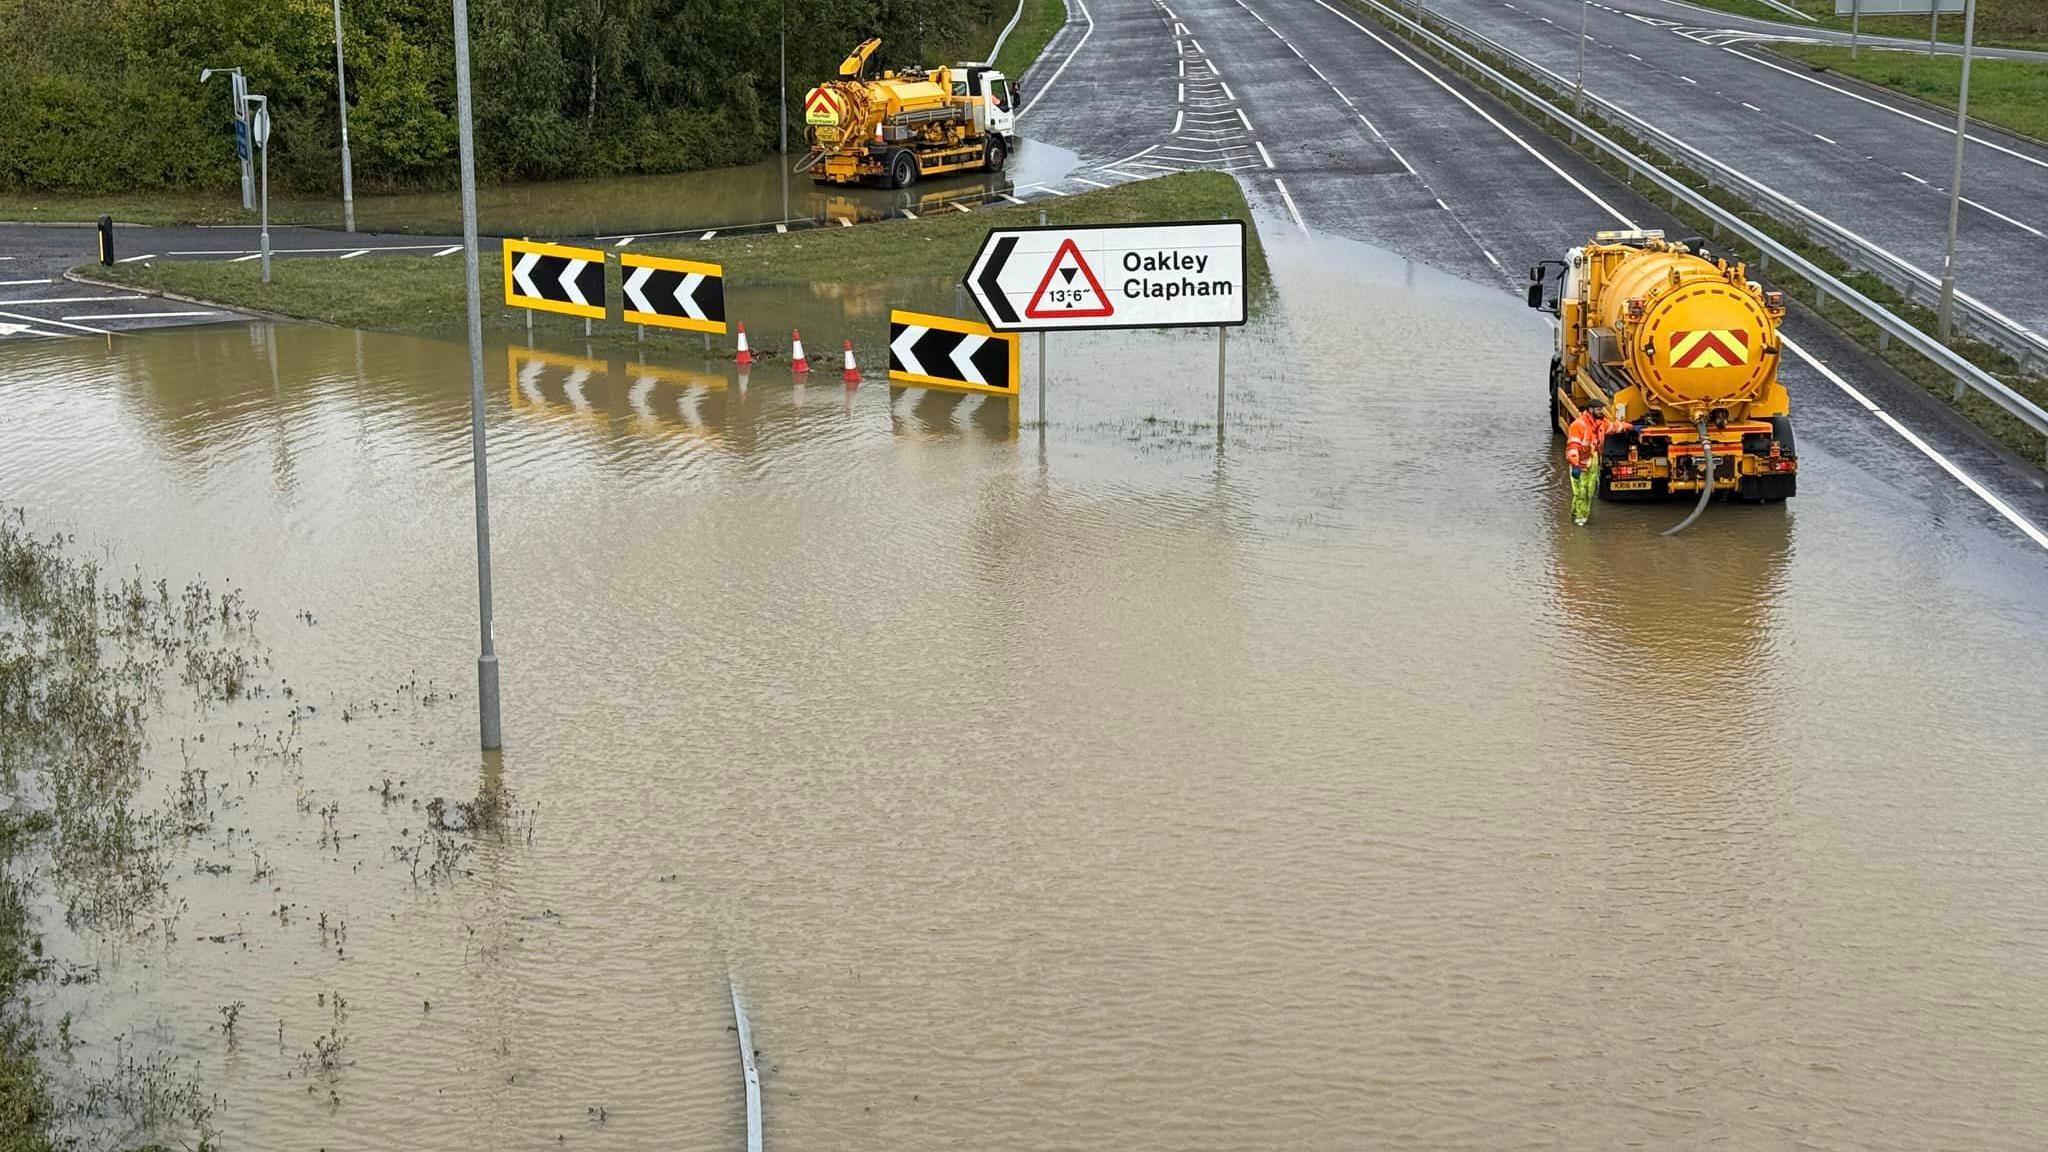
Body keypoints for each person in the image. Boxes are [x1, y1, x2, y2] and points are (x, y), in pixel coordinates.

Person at [1565, 402, 1633, 526]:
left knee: (1590, 490)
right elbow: (1573, 446)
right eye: (1598, 409)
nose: (1601, 411)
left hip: (1593, 460)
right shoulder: (1578, 425)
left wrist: (1630, 426)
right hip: (1580, 462)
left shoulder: (1601, 424)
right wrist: (1575, 464)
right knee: (1581, 491)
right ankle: (1580, 518)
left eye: (1602, 409)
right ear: (1590, 410)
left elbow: (1614, 427)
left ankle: (1579, 514)